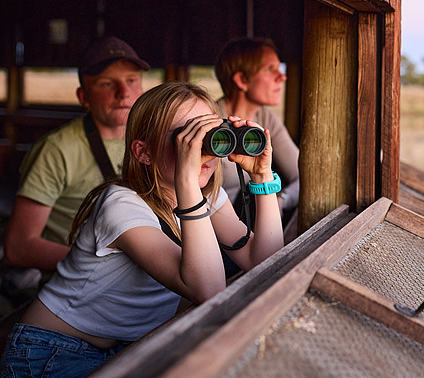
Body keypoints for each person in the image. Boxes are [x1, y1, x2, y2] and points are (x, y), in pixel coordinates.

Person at [0, 82, 284, 378]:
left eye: (209, 133)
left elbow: (267, 260)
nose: (199, 147)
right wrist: (187, 182)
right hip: (51, 352)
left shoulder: (205, 196)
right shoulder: (120, 205)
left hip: (129, 348)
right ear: (143, 152)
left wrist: (262, 176)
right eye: (186, 136)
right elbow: (209, 290)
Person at [4, 36, 149, 272]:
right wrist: (106, 267)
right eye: (106, 83)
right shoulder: (56, 149)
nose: (123, 93)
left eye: (131, 80)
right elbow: (19, 247)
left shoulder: (151, 140)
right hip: (82, 287)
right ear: (83, 97)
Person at [214, 37, 299, 223]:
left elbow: (304, 175)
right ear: (242, 80)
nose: (282, 77)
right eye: (270, 69)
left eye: (279, 68)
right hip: (209, 226)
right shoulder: (212, 123)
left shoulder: (265, 118)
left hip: (241, 223)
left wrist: (280, 200)